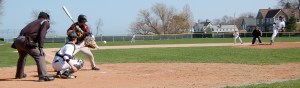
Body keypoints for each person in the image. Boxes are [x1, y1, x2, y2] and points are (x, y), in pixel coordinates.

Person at [14, 12, 54, 81]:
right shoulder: (45, 22)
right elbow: (42, 35)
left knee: (22, 57)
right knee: (39, 56)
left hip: (18, 40)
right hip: (25, 40)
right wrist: (41, 47)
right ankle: (43, 76)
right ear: (46, 18)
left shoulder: (34, 22)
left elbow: (23, 31)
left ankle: (19, 74)